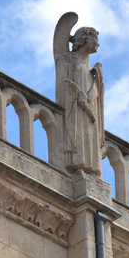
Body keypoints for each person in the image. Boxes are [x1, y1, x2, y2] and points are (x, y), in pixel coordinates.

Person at [54, 24, 104, 175]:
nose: (97, 43)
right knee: (77, 143)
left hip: (89, 117)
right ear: (83, 39)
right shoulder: (67, 59)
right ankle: (74, 164)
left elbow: (96, 97)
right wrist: (82, 98)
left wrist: (98, 81)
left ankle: (91, 167)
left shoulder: (91, 68)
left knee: (89, 139)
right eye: (94, 38)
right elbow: (64, 84)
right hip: (76, 111)